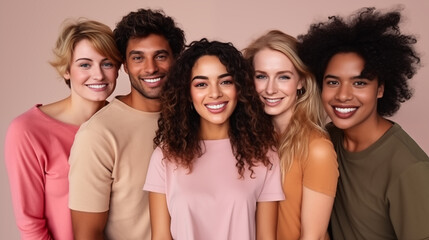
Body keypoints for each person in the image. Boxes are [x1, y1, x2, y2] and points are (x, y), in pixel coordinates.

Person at [298, 7, 429, 240]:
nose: (344, 95)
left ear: (380, 89)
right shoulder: (326, 140)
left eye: (359, 83)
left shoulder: (410, 169)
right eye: (333, 82)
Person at [143, 38, 284, 240]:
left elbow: (266, 237)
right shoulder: (165, 156)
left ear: (239, 88)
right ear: (188, 93)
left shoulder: (264, 154)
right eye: (201, 84)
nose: (215, 93)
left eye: (225, 81)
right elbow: (160, 237)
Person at [68, 9, 185, 240]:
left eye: (160, 56)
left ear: (176, 59)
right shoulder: (99, 134)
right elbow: (87, 234)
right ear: (124, 64)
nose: (150, 68)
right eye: (138, 57)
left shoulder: (194, 119)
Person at [4, 19, 121, 240]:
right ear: (66, 71)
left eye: (107, 63)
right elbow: (30, 225)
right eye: (85, 65)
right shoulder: (27, 131)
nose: (98, 75)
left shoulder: (123, 123)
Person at [243, 30, 339, 240]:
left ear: (301, 81)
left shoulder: (316, 148)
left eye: (283, 77)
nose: (270, 89)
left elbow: (312, 236)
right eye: (261, 76)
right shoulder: (254, 140)